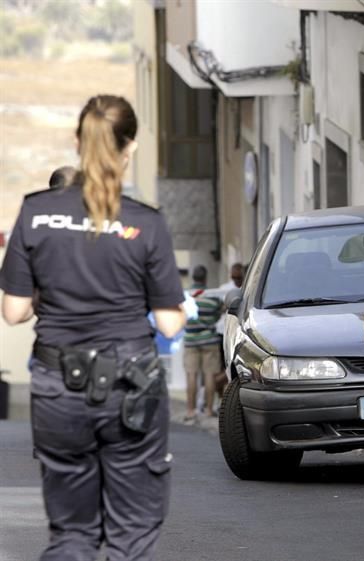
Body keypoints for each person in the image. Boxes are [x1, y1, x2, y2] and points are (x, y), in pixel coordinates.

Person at [0, 94, 185, 560]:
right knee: (132, 531)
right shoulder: (146, 222)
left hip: (58, 386)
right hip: (129, 382)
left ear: (77, 141)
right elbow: (167, 321)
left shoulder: (35, 211)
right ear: (130, 148)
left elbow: (15, 311)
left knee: (72, 534)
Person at [182, 264, 225, 422]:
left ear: (193, 277)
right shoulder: (212, 296)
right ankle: (208, 410)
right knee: (209, 374)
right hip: (209, 340)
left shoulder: (186, 296)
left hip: (190, 341)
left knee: (191, 374)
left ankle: (190, 410)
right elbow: (220, 312)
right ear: (205, 278)